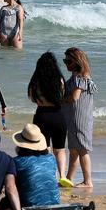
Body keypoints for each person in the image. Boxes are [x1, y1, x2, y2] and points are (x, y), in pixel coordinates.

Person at [27, 52, 68, 183]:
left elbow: (33, 99)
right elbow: (62, 97)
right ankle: (62, 176)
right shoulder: (60, 80)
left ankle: (50, 175)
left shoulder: (36, 81)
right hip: (58, 115)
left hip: (42, 116)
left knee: (45, 148)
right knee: (60, 149)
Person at [63, 47, 98, 188]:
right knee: (73, 149)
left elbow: (75, 97)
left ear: (76, 61)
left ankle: (87, 181)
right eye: (64, 61)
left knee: (82, 149)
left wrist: (62, 99)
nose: (66, 64)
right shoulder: (76, 77)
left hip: (80, 118)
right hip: (74, 118)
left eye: (68, 61)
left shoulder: (81, 77)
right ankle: (69, 179)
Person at [11, 124, 60, 207]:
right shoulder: (51, 158)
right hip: (54, 202)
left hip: (30, 205)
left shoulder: (17, 162)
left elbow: (11, 187)